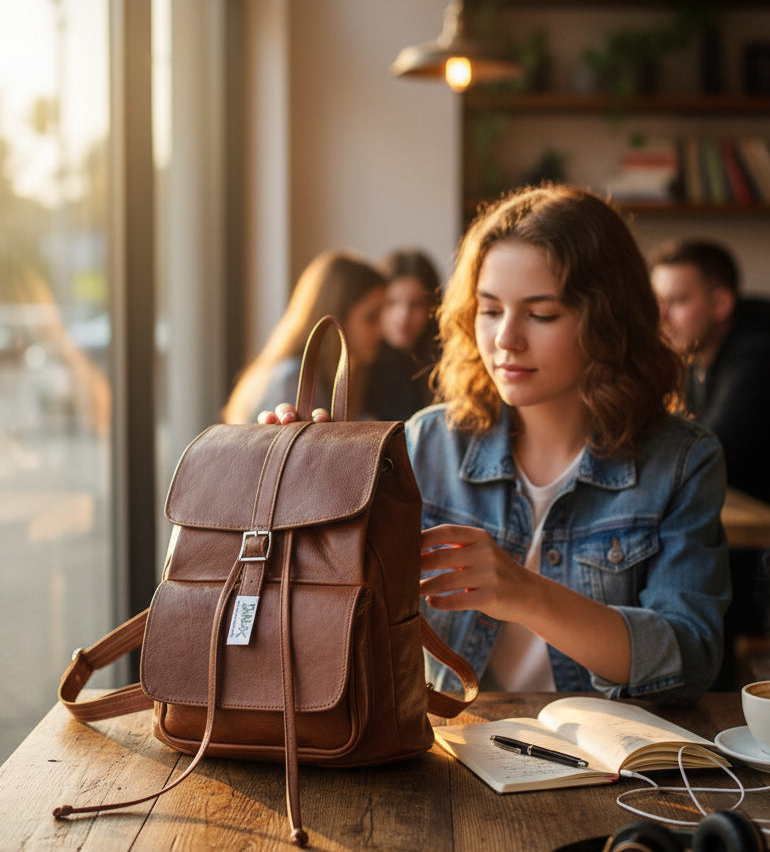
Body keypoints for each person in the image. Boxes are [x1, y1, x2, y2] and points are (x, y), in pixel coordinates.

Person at [265, 185, 730, 701]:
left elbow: (691, 657)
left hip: (611, 761)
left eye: (542, 314)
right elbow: (328, 613)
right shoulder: (429, 443)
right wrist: (290, 489)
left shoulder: (682, 461)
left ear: (608, 322)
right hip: (452, 753)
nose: (506, 339)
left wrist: (526, 593)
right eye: (489, 310)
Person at [649, 239, 770, 524]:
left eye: (677, 301)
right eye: (657, 302)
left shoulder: (761, 360)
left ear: (721, 304)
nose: (661, 317)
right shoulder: (697, 363)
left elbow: (706, 462)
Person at [222, 251, 387, 423]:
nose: (381, 331)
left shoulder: (333, 378)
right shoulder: (294, 379)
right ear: (336, 316)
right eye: (371, 317)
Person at [364, 249, 441, 420]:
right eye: (392, 303)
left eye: (416, 304)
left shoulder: (445, 364)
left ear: (433, 307)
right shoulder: (361, 361)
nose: (403, 316)